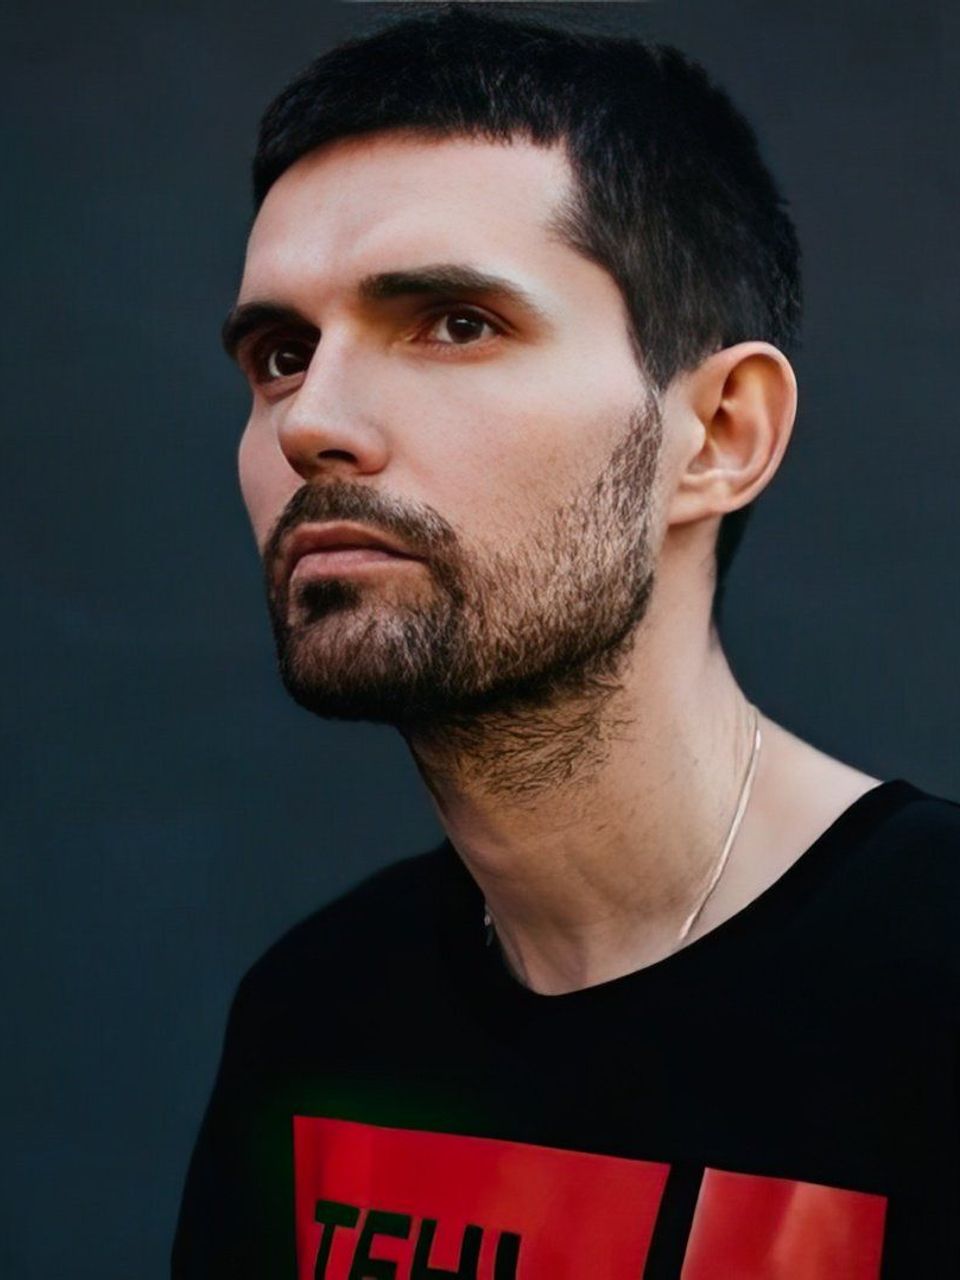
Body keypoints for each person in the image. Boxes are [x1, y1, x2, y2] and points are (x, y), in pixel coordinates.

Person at [171, 5, 960, 1276]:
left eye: (455, 322)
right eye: (280, 353)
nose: (311, 420)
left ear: (719, 434)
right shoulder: (317, 1014)